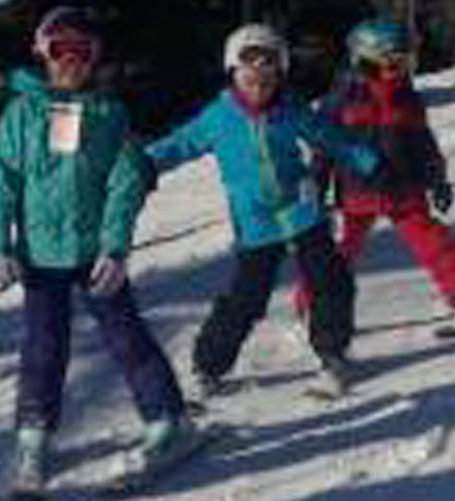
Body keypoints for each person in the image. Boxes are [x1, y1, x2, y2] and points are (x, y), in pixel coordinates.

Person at [0, 7, 195, 500]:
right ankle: (34, 434)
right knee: (43, 347)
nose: (71, 61)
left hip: (94, 252)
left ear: (95, 59)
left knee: (126, 337)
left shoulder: (106, 116)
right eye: (60, 51)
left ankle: (167, 419)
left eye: (82, 52)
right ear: (43, 53)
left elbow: (124, 186)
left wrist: (115, 249)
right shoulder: (21, 114)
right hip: (40, 256)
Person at [148, 23, 380, 397]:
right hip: (256, 221)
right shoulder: (219, 117)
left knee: (330, 279)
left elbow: (328, 135)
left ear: (280, 74)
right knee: (247, 296)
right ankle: (209, 364)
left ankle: (332, 352)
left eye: (268, 74)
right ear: (233, 73)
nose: (259, 83)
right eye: (249, 74)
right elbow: (180, 144)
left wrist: (369, 160)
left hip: (302, 209)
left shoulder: (291, 109)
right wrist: (144, 164)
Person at [293, 19, 455, 337]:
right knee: (337, 253)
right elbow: (324, 145)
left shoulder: (407, 98)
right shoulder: (342, 98)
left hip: (403, 188)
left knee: (433, 240)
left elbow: (424, 143)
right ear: (365, 60)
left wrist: (437, 179)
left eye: (406, 62)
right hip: (355, 193)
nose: (401, 71)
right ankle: (313, 304)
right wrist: (317, 183)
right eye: (393, 63)